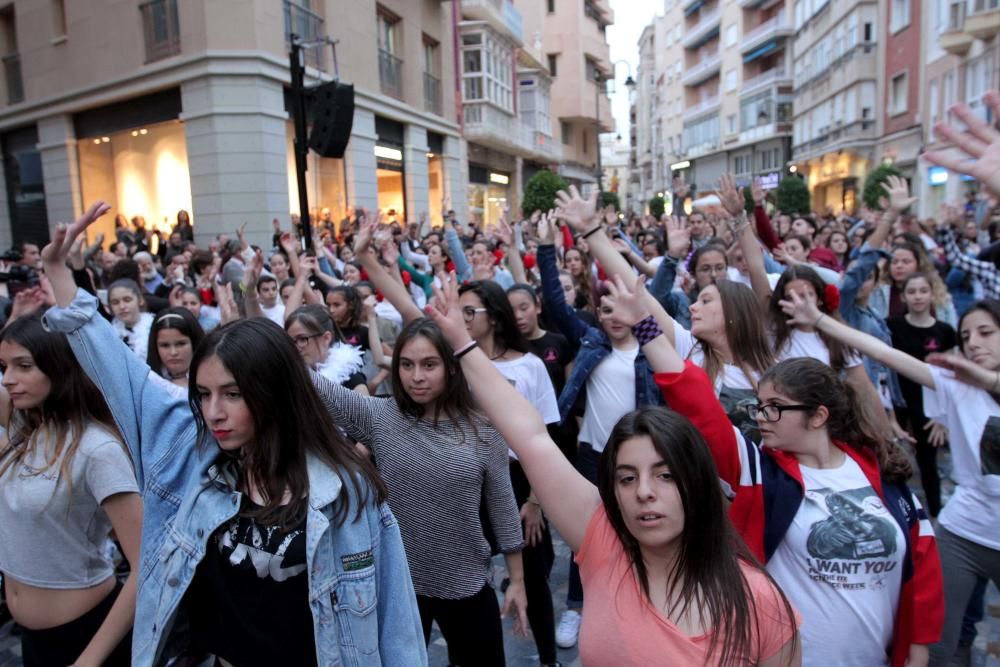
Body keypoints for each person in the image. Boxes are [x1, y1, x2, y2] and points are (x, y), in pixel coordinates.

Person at [41, 201, 427, 666]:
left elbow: (397, 627)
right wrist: (60, 274)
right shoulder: (193, 459)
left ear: (273, 392)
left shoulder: (348, 492)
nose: (213, 412)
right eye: (203, 394)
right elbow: (117, 371)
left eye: (232, 394)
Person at [424, 271, 801, 666]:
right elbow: (530, 435)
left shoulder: (762, 602)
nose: (644, 491)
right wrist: (462, 345)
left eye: (665, 474)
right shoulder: (603, 541)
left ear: (698, 481)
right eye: (626, 477)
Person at [346, 215, 531, 665]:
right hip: (397, 582)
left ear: (450, 365)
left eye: (428, 365)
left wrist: (517, 579)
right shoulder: (381, 415)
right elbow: (317, 390)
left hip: (466, 582)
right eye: (406, 365)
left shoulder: (482, 425)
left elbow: (503, 506)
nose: (415, 376)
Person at [781, 290, 997, 667]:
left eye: (985, 333)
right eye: (966, 337)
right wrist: (819, 320)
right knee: (937, 647)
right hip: (963, 532)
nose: (973, 344)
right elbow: (882, 353)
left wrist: (990, 381)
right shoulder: (957, 384)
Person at [0, 314, 142, 666]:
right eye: (3, 366)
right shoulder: (24, 427)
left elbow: (146, 566)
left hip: (86, 637)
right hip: (30, 640)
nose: (8, 379)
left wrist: (91, 658)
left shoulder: (98, 450)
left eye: (24, 366)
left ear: (58, 367)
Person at [887, 273, 957, 517]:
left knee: (928, 461)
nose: (917, 296)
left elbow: (950, 377)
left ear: (931, 294)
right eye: (912, 291)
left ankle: (938, 514)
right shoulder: (892, 325)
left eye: (922, 291)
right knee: (891, 458)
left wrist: (944, 414)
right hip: (898, 402)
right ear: (904, 296)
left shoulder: (944, 331)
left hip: (929, 406)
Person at [285, 304, 367, 392]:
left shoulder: (352, 382)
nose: (296, 347)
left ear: (326, 338)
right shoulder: (290, 378)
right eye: (291, 341)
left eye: (302, 339)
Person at [145, 306, 205, 391]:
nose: (173, 352)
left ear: (194, 343)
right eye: (165, 345)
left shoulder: (212, 380)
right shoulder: (147, 384)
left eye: (180, 344)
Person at [107, 278, 155, 360]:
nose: (122, 306)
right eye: (115, 302)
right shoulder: (108, 333)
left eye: (127, 300)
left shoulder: (154, 326)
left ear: (140, 300)